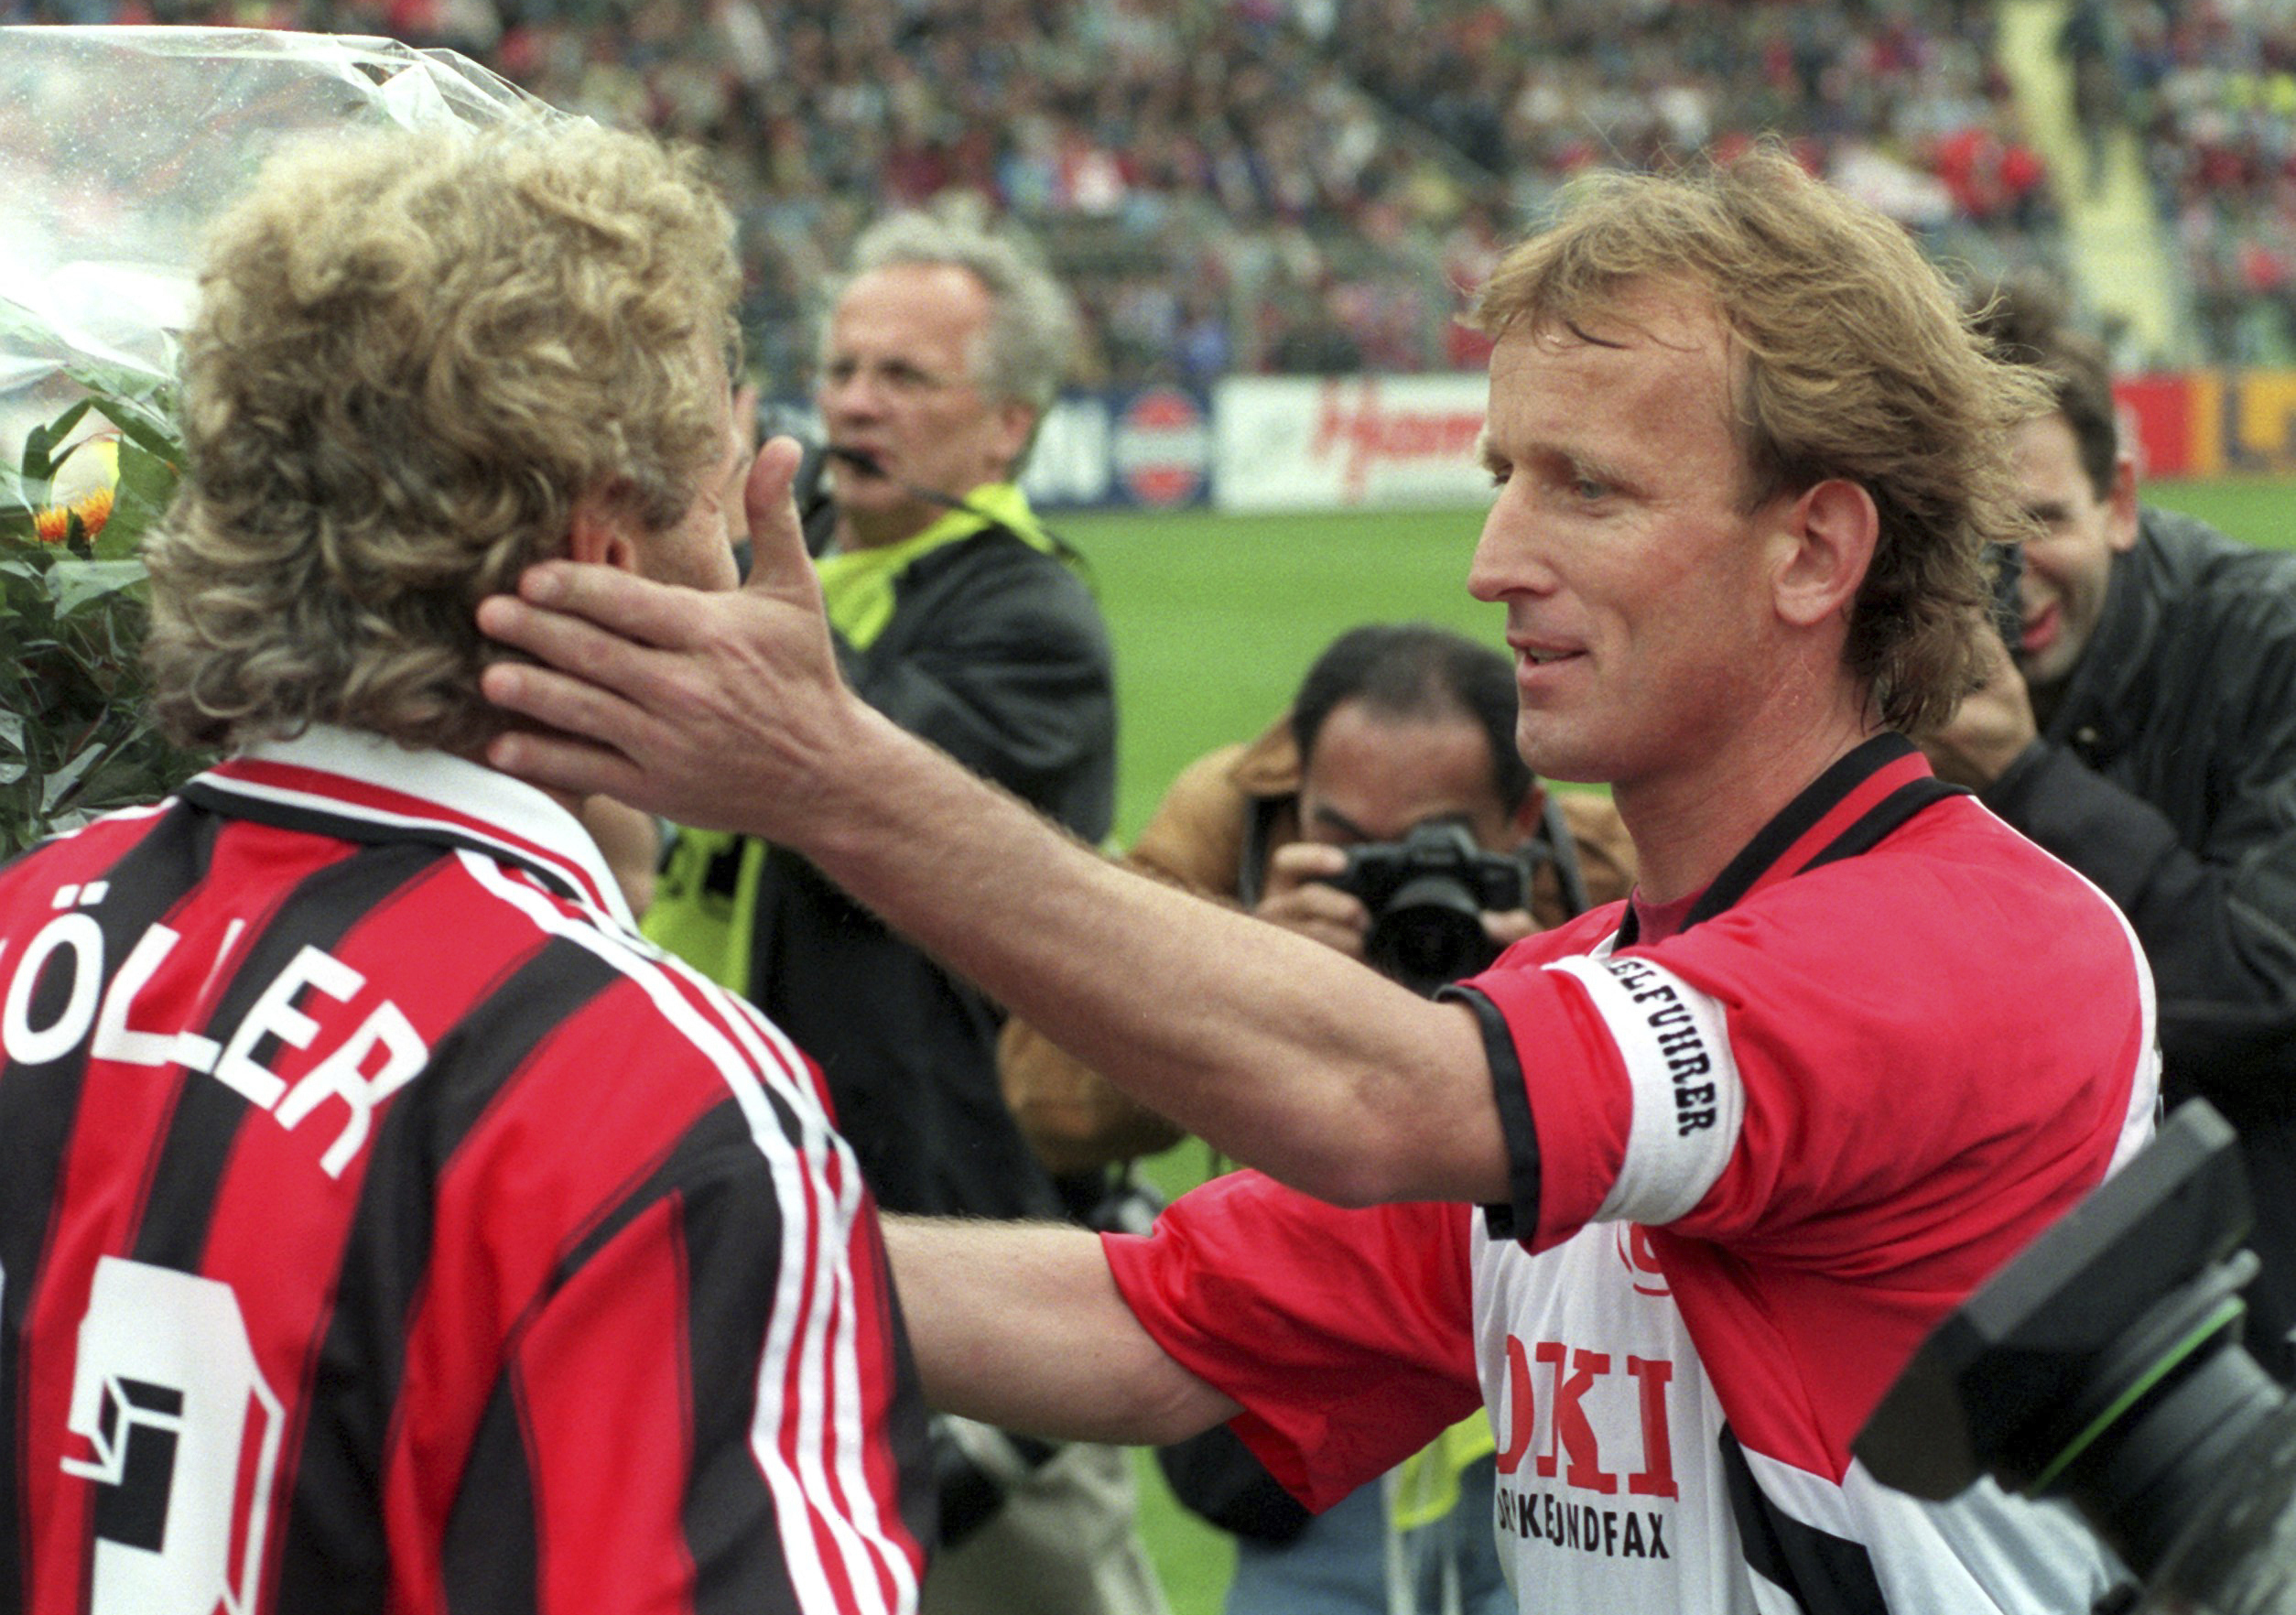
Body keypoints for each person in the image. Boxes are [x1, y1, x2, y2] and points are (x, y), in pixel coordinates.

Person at [474, 147, 2159, 1613]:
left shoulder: (1976, 948)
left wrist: (827, 776)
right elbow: (1141, 1329)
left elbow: (1372, 1093)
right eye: (1505, 476)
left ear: (1814, 550)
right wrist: (584, 1238)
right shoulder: (1577, 999)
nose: (1495, 562)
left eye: (1586, 486)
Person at [0, 120, 929, 1612]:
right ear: (607, 559)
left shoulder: (22, 922)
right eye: (714, 487)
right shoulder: (644, 1094)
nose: (747, 548)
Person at [635, 211, 1151, 1615]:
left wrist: (729, 558)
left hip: (951, 1235)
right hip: (739, 1172)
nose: (856, 399)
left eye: (906, 378)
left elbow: (855, 794)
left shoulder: (1031, 615)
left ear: (1009, 427)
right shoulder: (777, 544)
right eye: (845, 367)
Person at [998, 621, 1634, 1615]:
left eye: (1432, 846)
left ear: (1522, 822)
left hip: (1547, 1402)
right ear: (1293, 806)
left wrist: (1552, 998)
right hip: (1312, 1391)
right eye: (1343, 844)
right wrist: (1246, 977)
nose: (1388, 882)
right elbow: (1042, 1096)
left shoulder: (1601, 862)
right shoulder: (1231, 827)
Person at [1922, 279, 2296, 1382]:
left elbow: (2268, 985)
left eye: (2040, 522)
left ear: (2120, 499)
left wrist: (2019, 774)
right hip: (2001, 1278)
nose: (2005, 576)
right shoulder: (1886, 655)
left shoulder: (2266, 644)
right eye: (1965, 537)